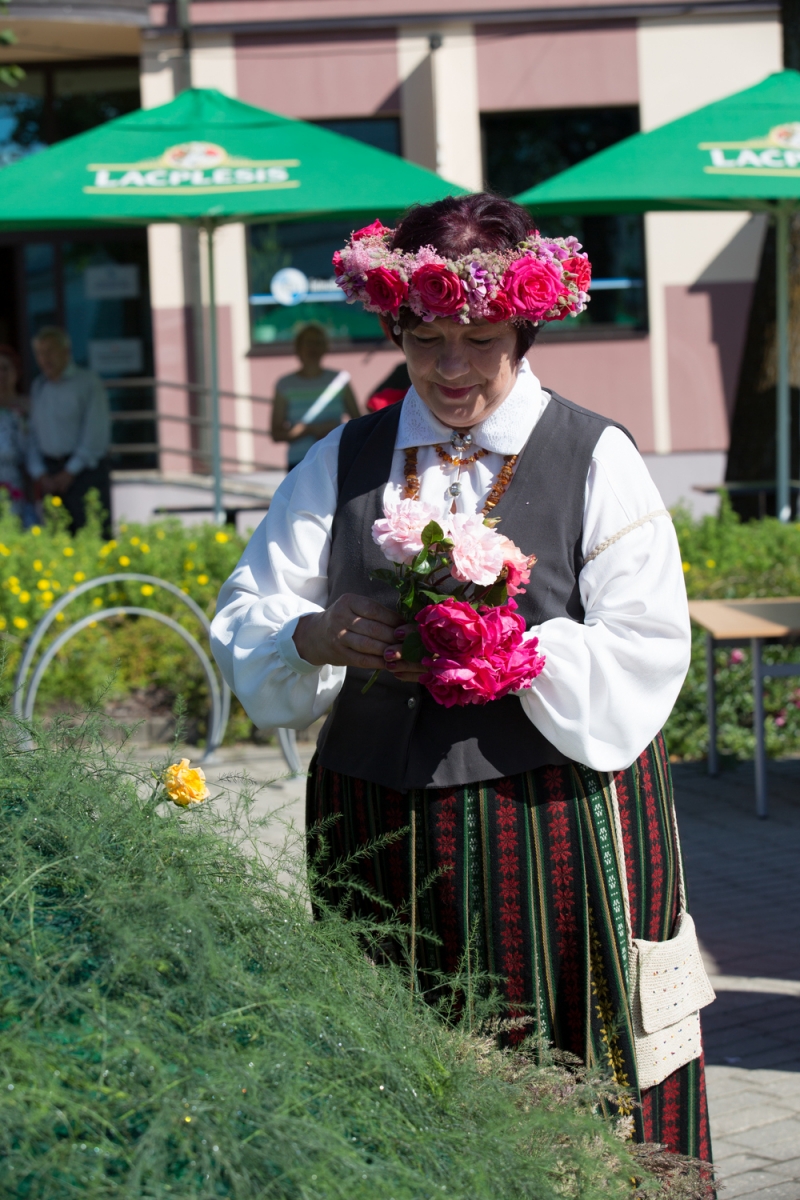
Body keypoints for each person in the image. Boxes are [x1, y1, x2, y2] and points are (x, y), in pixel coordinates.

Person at [211, 196, 711, 1162]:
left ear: (522, 329)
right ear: (396, 327)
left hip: (554, 826)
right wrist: (314, 634)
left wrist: (514, 646)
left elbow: (649, 646)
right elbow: (250, 610)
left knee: (577, 1081)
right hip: (376, 828)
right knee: (391, 1078)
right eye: (427, 338)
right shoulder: (346, 458)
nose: (449, 368)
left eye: (478, 339)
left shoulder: (593, 453)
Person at [26, 326, 111, 534]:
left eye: (50, 351)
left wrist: (69, 472)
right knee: (57, 541)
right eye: (40, 353)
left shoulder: (87, 383)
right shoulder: (39, 386)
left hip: (84, 474)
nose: (45, 358)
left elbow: (95, 434)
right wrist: (40, 473)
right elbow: (33, 435)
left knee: (92, 537)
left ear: (66, 352)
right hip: (51, 475)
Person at [271, 323, 359, 468]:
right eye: (309, 343)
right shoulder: (284, 384)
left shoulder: (340, 380)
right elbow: (276, 434)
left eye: (318, 343)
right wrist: (307, 430)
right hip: (300, 462)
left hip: (335, 458)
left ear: (325, 347)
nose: (314, 348)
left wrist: (337, 429)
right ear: (298, 348)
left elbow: (358, 423)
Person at [0, 345, 30, 519]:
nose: (1, 375)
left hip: (17, 485)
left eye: (5, 368)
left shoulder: (27, 407)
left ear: (16, 372)